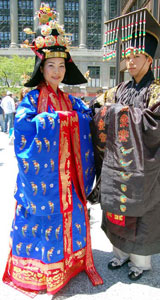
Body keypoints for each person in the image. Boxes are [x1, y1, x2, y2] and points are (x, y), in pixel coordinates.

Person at [2, 3, 103, 297]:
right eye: (51, 66)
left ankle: (71, 263)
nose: (57, 72)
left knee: (72, 215)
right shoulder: (32, 99)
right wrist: (57, 120)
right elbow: (22, 129)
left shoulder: (69, 99)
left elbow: (85, 116)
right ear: (41, 68)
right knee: (44, 219)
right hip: (45, 181)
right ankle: (44, 269)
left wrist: (89, 114)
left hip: (69, 177)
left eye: (61, 66)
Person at [89, 8, 160, 281]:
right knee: (116, 208)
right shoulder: (118, 89)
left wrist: (117, 113)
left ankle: (141, 262)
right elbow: (96, 107)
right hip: (118, 166)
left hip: (146, 168)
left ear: (150, 60)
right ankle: (120, 254)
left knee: (145, 213)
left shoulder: (159, 91)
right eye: (128, 57)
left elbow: (159, 122)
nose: (130, 61)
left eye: (136, 57)